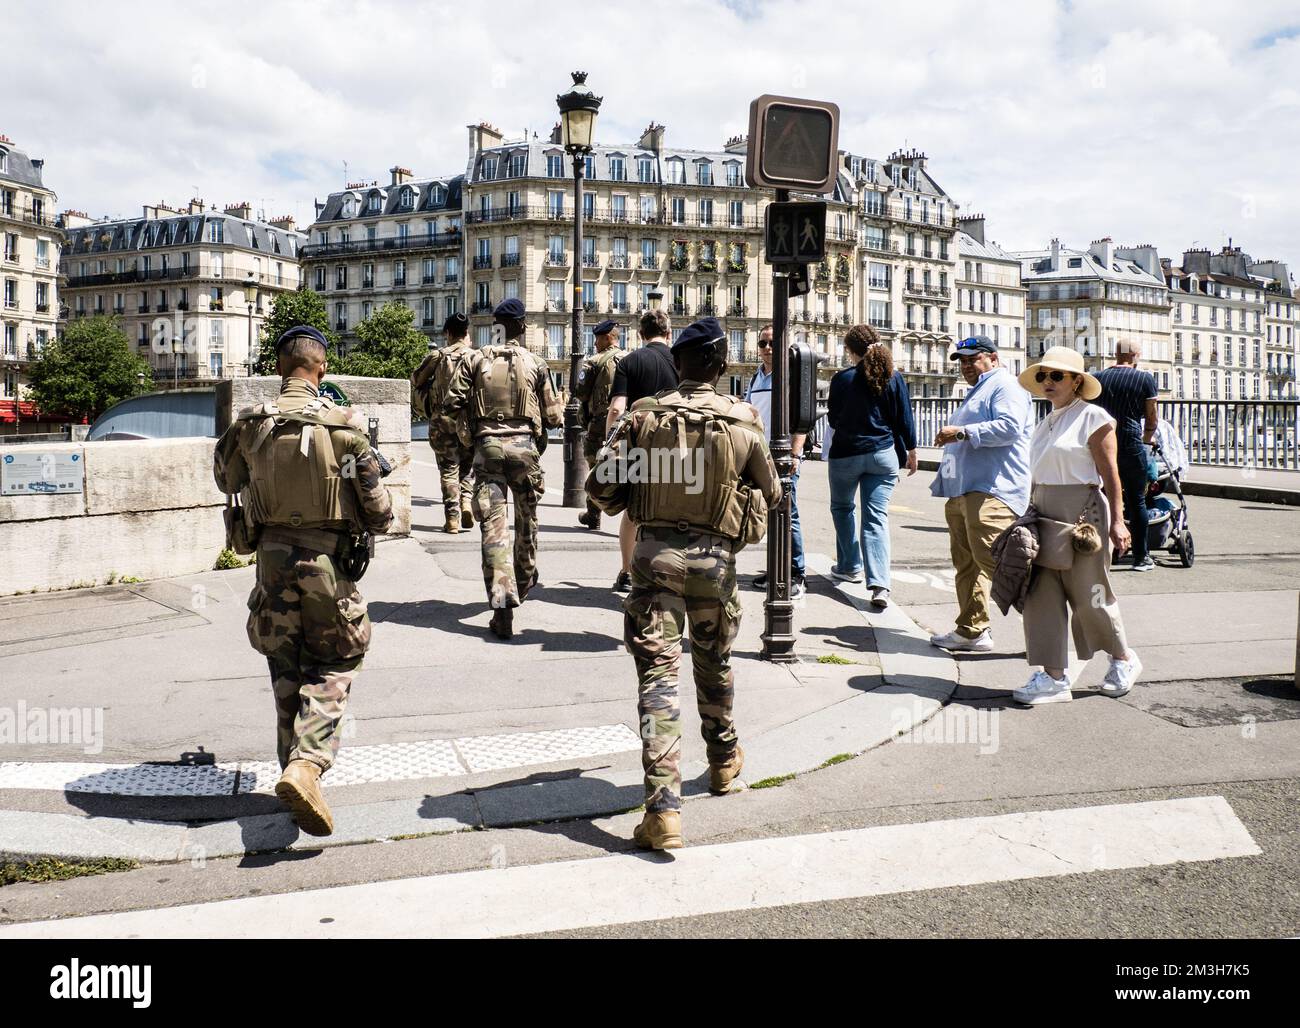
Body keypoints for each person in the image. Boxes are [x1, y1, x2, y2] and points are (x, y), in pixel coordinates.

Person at [591, 317, 781, 850]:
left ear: (677, 364)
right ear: (722, 366)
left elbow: (601, 488)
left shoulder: (642, 418)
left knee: (658, 684)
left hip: (653, 565)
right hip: (715, 565)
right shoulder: (743, 421)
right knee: (714, 665)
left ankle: (663, 810)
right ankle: (723, 763)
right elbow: (771, 494)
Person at [213, 325, 393, 836]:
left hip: (270, 563)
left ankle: (290, 776)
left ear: (278, 369)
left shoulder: (250, 425)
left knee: (284, 667)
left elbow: (226, 482)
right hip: (327, 566)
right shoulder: (345, 430)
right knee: (338, 658)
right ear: (321, 370)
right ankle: (307, 766)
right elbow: (379, 515)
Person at [1012, 346, 1142, 703]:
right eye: (1042, 376)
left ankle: (1123, 658)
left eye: (1057, 375)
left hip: (1083, 511)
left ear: (1077, 381)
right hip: (1043, 510)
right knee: (1041, 596)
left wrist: (1119, 520)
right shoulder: (1045, 422)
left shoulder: (1093, 417)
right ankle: (1053, 676)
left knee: (1090, 594)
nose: (1048, 382)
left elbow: (1110, 474)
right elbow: (1037, 475)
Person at [444, 298, 563, 640]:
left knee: (494, 530)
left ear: (494, 325)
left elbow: (451, 403)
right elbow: (554, 417)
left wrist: (470, 431)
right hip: (525, 449)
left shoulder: (475, 358)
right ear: (523, 326)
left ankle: (502, 607)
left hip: (487, 450)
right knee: (527, 522)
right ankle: (523, 583)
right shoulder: (536, 362)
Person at [929, 335, 1032, 652]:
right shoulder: (980, 390)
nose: (966, 366)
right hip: (966, 490)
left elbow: (1009, 427)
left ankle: (1047, 630)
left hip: (992, 491)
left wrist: (961, 431)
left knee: (1002, 568)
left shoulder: (1005, 385)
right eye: (961, 360)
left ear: (993, 358)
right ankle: (971, 630)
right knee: (968, 566)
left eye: (973, 359)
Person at [826, 325, 918, 609]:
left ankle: (849, 565)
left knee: (843, 509)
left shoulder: (841, 379)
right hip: (882, 455)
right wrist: (912, 451)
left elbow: (832, 420)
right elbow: (904, 417)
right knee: (875, 517)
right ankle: (879, 584)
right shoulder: (893, 376)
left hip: (846, 454)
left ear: (851, 351)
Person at [604, 307, 678, 593]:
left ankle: (627, 572)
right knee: (670, 510)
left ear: (640, 334)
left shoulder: (630, 361)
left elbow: (616, 408)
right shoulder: (680, 361)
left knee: (634, 511)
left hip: (638, 446)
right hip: (676, 446)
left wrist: (609, 445)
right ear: (669, 333)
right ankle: (666, 571)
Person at [745, 324, 807, 599]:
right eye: (763, 343)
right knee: (770, 513)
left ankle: (796, 573)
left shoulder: (790, 376)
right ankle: (777, 569)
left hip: (784, 457)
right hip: (761, 454)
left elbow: (802, 419)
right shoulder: (756, 378)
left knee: (788, 514)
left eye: (773, 343)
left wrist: (795, 453)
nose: (768, 348)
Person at [1093, 339, 1159, 572]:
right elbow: (1151, 416)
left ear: (1116, 354)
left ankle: (1103, 554)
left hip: (1101, 443)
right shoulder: (1144, 379)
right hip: (1131, 443)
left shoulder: (1099, 378)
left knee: (1102, 499)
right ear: (1134, 355)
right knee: (1136, 500)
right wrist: (1148, 437)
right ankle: (1141, 557)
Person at [411, 312, 476, 533]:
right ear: (466, 333)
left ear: (448, 333)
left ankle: (452, 518)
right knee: (467, 467)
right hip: (469, 420)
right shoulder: (477, 357)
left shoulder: (438, 355)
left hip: (442, 420)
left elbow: (416, 379)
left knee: (449, 468)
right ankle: (466, 501)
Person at [575, 319, 625, 531]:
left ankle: (593, 514)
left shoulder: (594, 362)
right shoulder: (630, 360)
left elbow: (580, 392)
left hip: (599, 424)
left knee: (596, 467)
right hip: (626, 422)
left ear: (607, 338)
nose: (595, 343)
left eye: (597, 339)